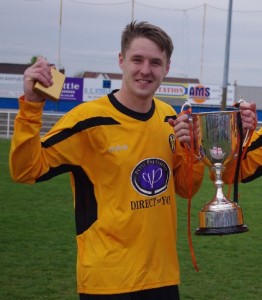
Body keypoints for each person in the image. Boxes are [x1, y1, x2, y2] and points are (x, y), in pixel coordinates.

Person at [9, 21, 205, 300]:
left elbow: (186, 188)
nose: (145, 70)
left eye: (155, 62)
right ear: (122, 61)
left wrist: (192, 151)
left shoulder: (167, 117)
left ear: (167, 68)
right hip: (107, 282)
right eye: (137, 59)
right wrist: (30, 107)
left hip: (162, 278)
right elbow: (25, 170)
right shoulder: (87, 121)